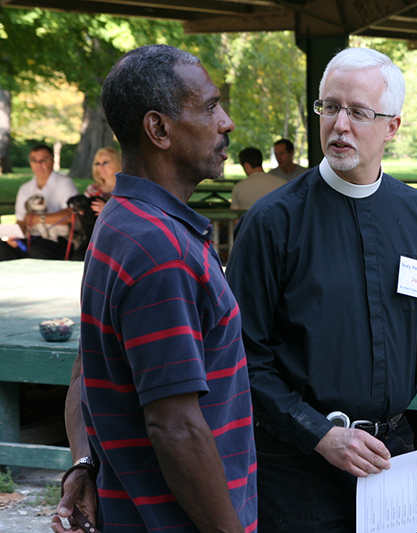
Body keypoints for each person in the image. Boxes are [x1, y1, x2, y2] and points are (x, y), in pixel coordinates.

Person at [226, 47, 417, 532]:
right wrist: (319, 434)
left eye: (359, 112)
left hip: (397, 460)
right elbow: (241, 354)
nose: (340, 125)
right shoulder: (273, 224)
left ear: (393, 127)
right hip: (298, 470)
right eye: (330, 107)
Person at [51, 44, 257, 533]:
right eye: (209, 107)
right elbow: (176, 428)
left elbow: (88, 367)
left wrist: (83, 462)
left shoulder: (119, 222)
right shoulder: (159, 250)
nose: (226, 122)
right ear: (158, 129)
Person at [0, 144, 78, 261]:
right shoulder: (25, 188)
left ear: (52, 161)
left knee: (38, 250)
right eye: (34, 160)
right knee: (3, 249)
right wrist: (15, 237)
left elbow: (72, 215)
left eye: (43, 160)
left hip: (59, 238)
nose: (38, 164)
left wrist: (39, 218)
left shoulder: (65, 183)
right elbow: (21, 221)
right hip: (32, 238)